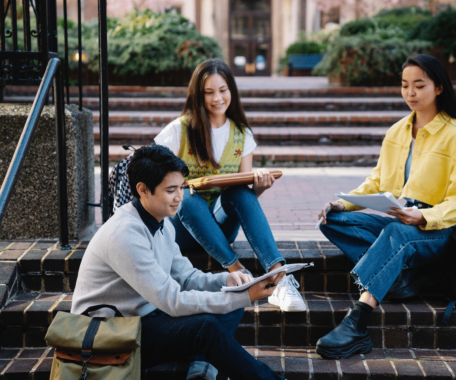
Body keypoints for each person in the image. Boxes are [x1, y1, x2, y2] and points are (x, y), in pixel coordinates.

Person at [72, 145, 287, 380]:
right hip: (110, 335)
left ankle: (202, 369)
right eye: (171, 190)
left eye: (181, 188)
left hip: (144, 317)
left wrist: (227, 281)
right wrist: (246, 296)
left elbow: (186, 278)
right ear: (143, 190)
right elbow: (173, 300)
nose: (179, 197)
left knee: (228, 306)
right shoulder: (124, 234)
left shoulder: (159, 222)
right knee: (206, 327)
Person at [315, 54, 456, 359]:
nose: (410, 93)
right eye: (405, 85)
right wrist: (341, 203)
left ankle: (358, 322)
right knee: (332, 221)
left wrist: (423, 215)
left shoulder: (453, 133)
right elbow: (376, 181)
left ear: (439, 87)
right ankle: (399, 279)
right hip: (404, 217)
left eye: (419, 85)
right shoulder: (397, 132)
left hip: (440, 228)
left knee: (395, 232)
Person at [154, 58, 305, 312]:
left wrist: (261, 186)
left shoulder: (241, 133)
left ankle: (279, 278)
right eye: (209, 92)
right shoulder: (178, 131)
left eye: (223, 90)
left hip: (220, 228)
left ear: (231, 91)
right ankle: (240, 274)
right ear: (197, 95)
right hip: (181, 228)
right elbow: (157, 183)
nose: (217, 98)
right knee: (186, 197)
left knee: (239, 192)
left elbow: (242, 193)